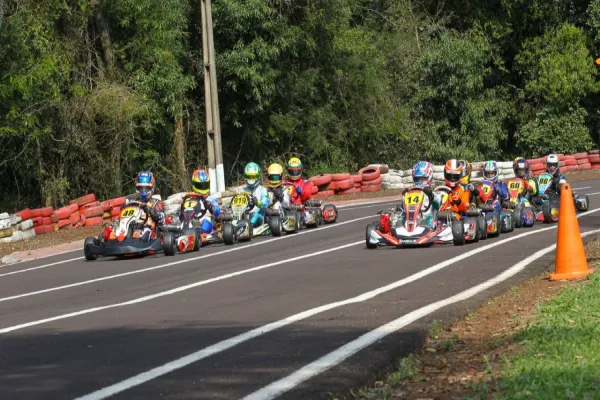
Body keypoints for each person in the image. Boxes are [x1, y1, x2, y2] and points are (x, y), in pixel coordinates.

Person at [398, 161, 442, 228]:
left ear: (429, 176)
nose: (420, 181)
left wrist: (431, 195)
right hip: (412, 219)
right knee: (398, 222)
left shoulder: (434, 194)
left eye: (423, 178)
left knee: (428, 222)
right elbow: (402, 210)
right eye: (417, 179)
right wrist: (405, 195)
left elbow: (439, 205)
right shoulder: (410, 193)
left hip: (428, 219)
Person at [180, 168, 222, 234]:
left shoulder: (211, 199)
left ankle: (198, 233)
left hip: (206, 221)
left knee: (205, 224)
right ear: (194, 184)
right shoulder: (189, 199)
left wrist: (210, 207)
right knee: (180, 226)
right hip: (190, 221)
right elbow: (180, 216)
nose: (203, 188)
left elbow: (217, 212)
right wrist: (182, 212)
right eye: (200, 185)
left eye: (205, 185)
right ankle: (183, 233)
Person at [134, 171, 165, 241]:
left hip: (151, 232)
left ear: (151, 188)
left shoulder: (157, 203)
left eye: (146, 188)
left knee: (146, 230)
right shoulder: (133, 203)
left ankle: (139, 238)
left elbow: (160, 220)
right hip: (133, 229)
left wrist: (148, 209)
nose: (143, 191)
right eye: (140, 188)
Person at [239, 162, 270, 227]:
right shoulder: (243, 190)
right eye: (249, 177)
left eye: (253, 177)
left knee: (254, 215)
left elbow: (266, 204)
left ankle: (249, 226)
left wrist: (258, 203)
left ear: (257, 176)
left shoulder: (263, 190)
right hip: (244, 215)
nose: (251, 179)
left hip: (259, 216)